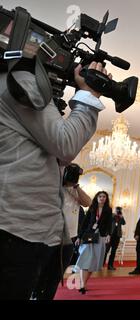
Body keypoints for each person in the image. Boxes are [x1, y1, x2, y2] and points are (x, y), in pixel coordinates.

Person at [0, 61, 110, 300]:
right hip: (16, 228)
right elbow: (64, 143)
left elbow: (41, 156)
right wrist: (89, 96)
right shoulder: (17, 80)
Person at [31, 163, 92, 300]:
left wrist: (75, 186)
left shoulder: (76, 192)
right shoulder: (53, 188)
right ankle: (35, 294)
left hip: (68, 240)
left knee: (56, 275)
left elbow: (88, 202)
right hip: (48, 237)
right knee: (41, 271)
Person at [75, 191, 113, 294]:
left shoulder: (108, 210)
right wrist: (79, 237)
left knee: (93, 262)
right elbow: (85, 223)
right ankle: (82, 285)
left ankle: (83, 283)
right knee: (84, 257)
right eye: (100, 196)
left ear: (106, 198)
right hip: (89, 235)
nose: (102, 198)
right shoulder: (92, 208)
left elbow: (110, 223)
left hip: (100, 236)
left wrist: (109, 234)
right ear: (96, 198)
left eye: (104, 196)